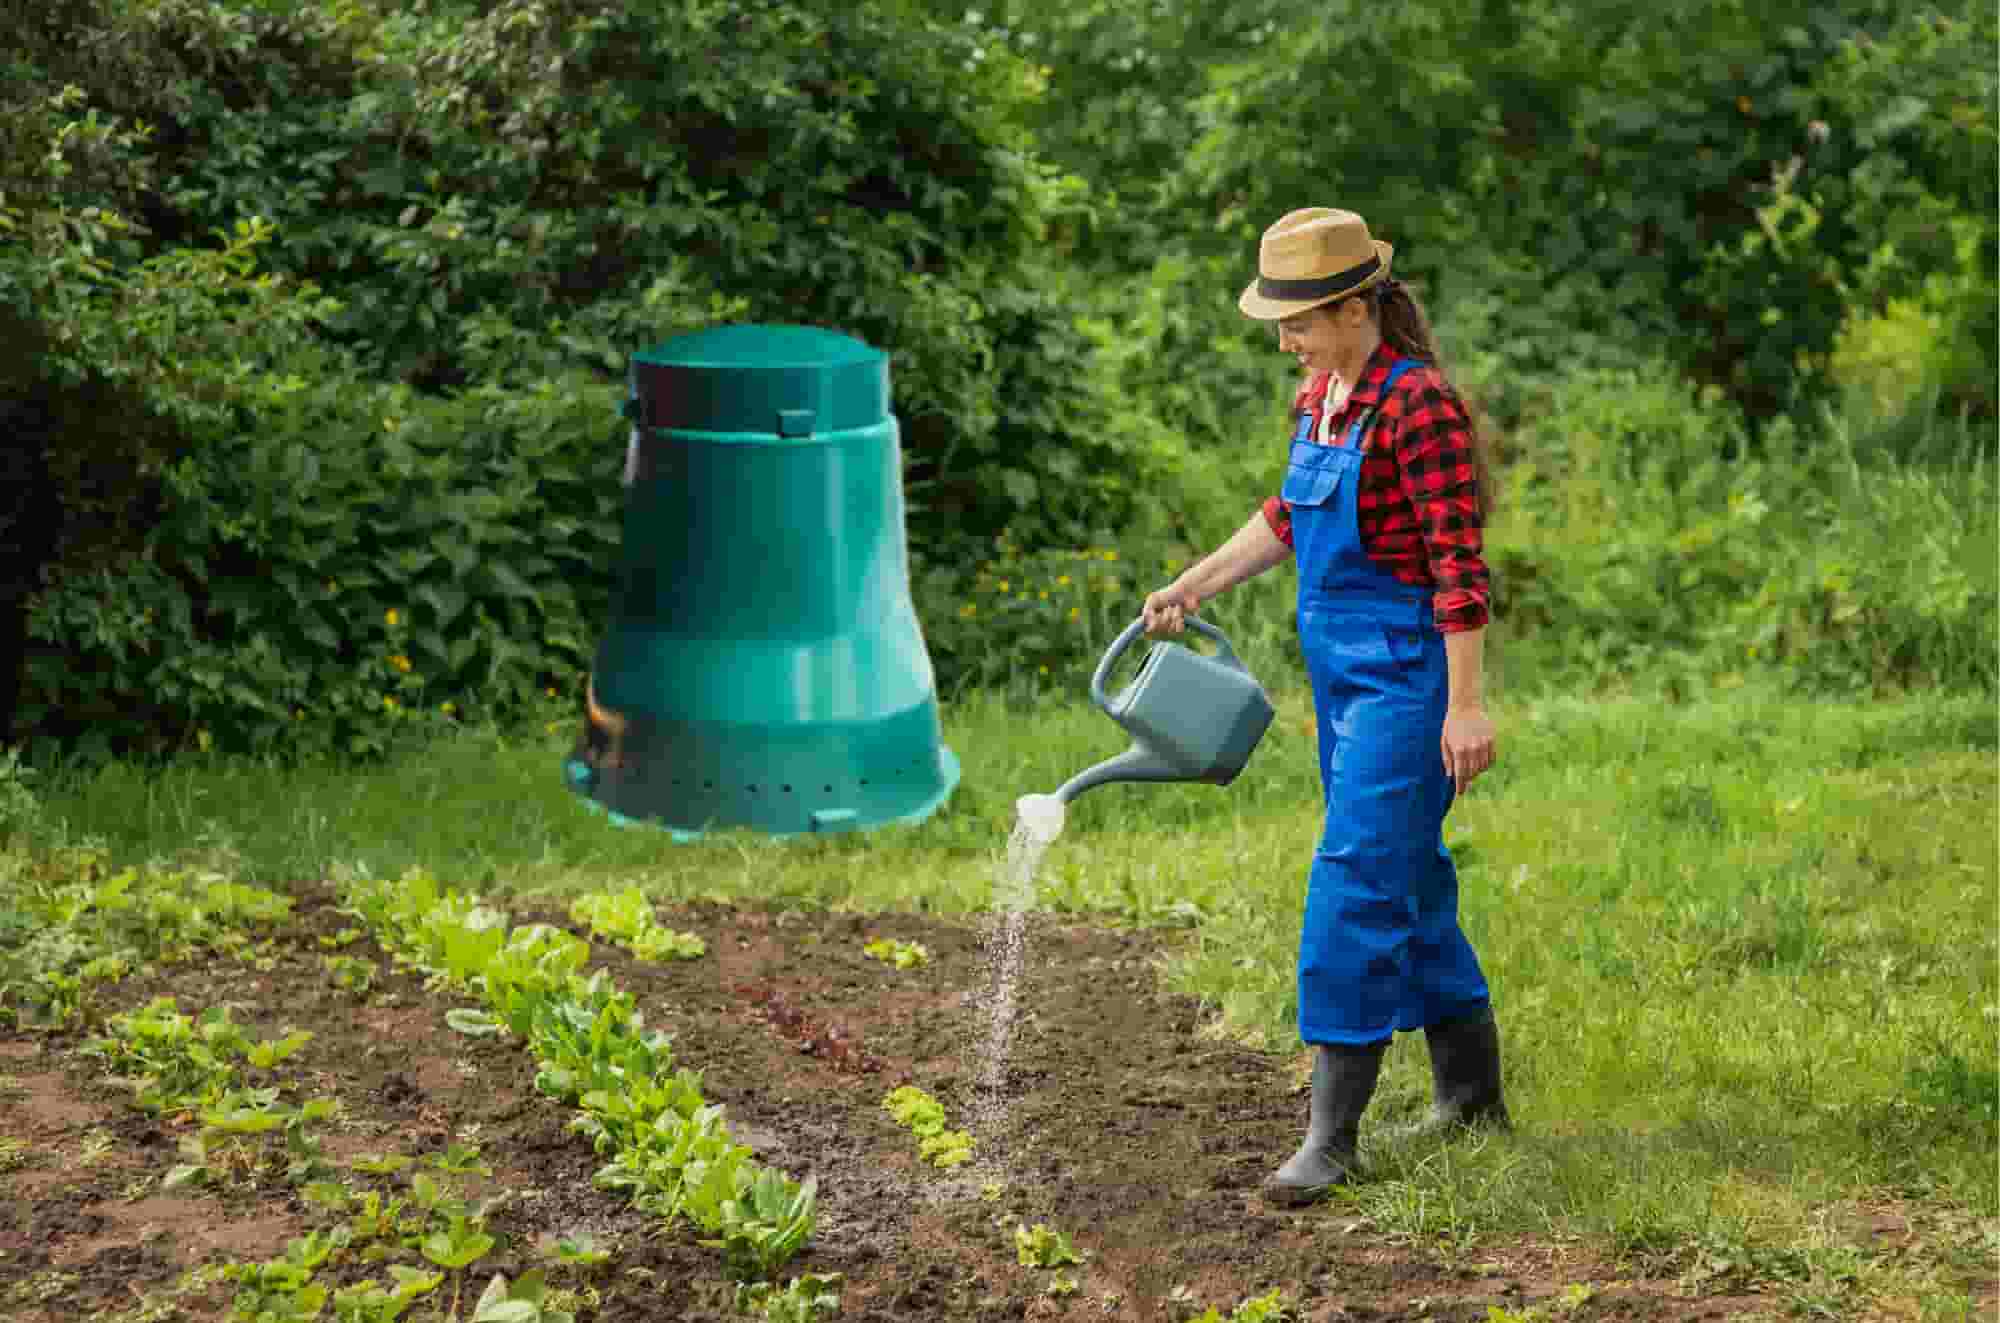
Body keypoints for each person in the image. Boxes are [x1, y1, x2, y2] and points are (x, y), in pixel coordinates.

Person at [1141, 207, 1509, 1206]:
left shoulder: (1415, 404)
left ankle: (1330, 1138)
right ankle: (1471, 1099)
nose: (1284, 339)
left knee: (1352, 878)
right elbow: (1284, 518)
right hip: (1343, 683)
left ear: (1355, 308)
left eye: (1298, 320)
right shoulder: (1322, 399)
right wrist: (1192, 584)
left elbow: (1456, 565)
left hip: (1406, 677)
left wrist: (1464, 707)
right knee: (1408, 875)